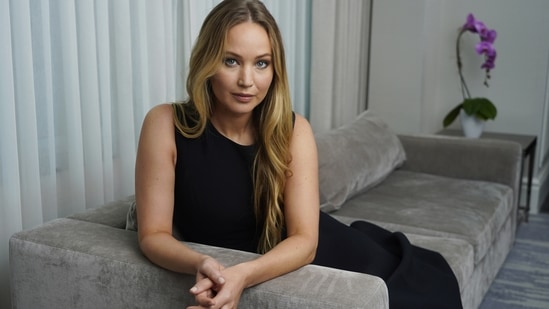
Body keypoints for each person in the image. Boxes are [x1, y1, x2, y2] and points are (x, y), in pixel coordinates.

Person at [135, 0, 463, 308]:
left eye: (261, 63)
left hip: (318, 258)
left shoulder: (293, 129)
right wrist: (201, 262)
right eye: (231, 60)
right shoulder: (165, 124)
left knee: (425, 292)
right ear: (207, 60)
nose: (247, 80)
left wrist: (244, 274)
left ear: (274, 70)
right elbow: (153, 235)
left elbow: (306, 241)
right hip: (287, 271)